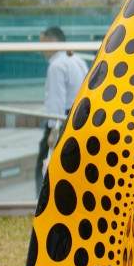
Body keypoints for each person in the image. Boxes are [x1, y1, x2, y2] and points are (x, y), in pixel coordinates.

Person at [36, 26, 89, 198]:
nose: (40, 49)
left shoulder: (56, 66)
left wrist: (53, 129)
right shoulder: (78, 60)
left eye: (42, 43)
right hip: (80, 118)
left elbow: (56, 99)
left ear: (52, 42)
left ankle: (41, 199)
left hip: (62, 120)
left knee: (44, 163)